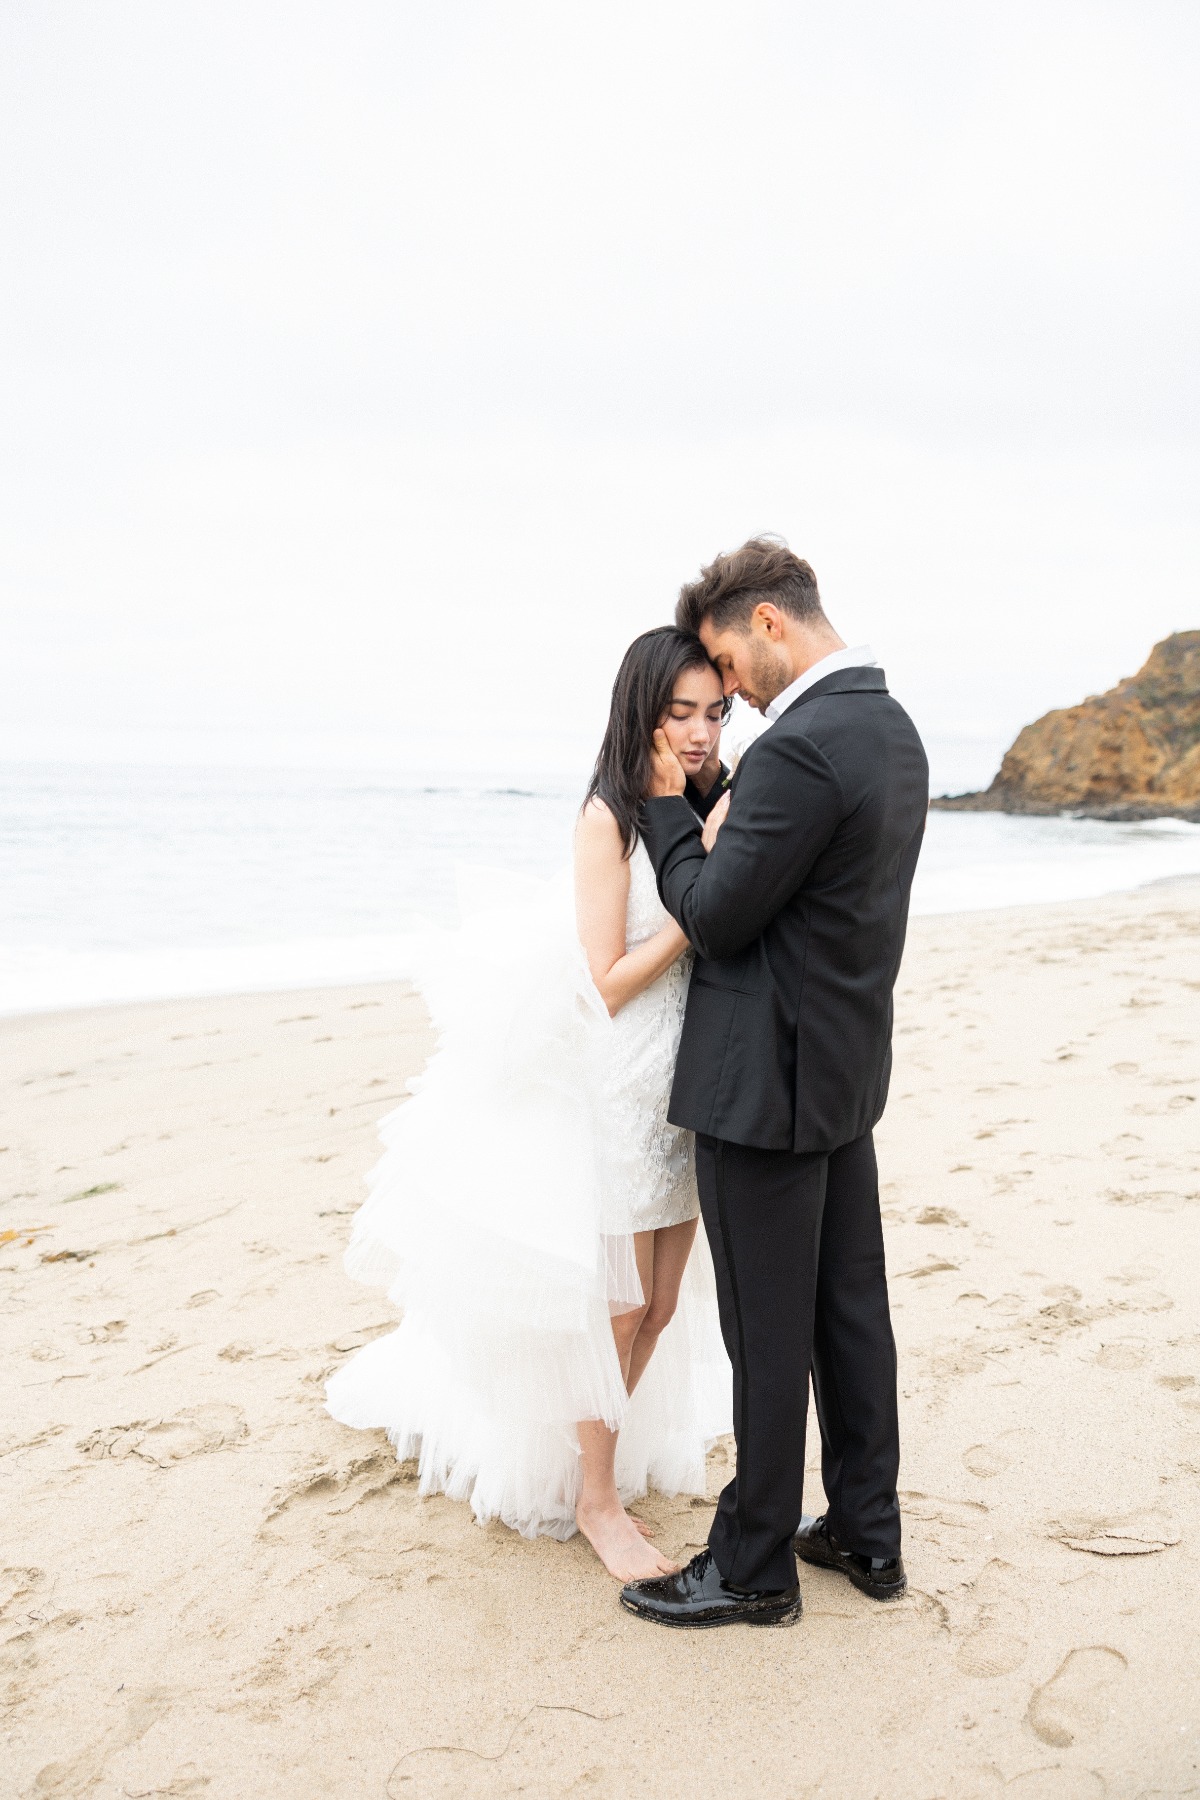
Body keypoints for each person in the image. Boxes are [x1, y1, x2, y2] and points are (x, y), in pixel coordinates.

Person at [325, 627, 731, 1581]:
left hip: (692, 1080)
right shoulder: (610, 818)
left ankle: (595, 1456)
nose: (701, 731)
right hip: (625, 1083)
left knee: (665, 1304)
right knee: (622, 1311)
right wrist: (696, 908)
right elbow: (607, 978)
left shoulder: (710, 795)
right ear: (642, 710)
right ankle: (596, 1497)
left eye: (714, 711)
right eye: (680, 713)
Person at [619, 536, 929, 1629]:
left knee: (765, 1329)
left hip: (766, 1089)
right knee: (850, 1311)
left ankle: (753, 1565)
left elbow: (714, 912)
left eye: (727, 665)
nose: (729, 697)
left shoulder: (800, 749)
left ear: (767, 624)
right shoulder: (891, 730)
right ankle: (865, 1532)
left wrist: (664, 814)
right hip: (844, 1075)